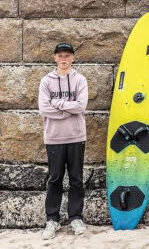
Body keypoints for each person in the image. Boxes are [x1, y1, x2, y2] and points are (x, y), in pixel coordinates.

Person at [38, 43, 89, 239]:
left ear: (73, 58)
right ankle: (52, 220)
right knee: (55, 179)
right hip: (54, 138)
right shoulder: (46, 81)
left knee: (76, 179)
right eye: (60, 55)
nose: (64, 59)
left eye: (67, 55)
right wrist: (68, 109)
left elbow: (81, 106)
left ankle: (76, 218)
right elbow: (44, 109)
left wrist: (58, 104)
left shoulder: (80, 80)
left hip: (76, 136)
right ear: (54, 58)